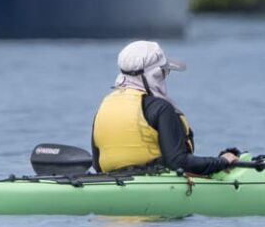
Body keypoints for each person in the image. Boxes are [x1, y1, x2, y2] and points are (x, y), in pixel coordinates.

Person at [90, 40, 240, 176]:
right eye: (164, 72)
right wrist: (222, 161)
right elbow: (178, 163)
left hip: (112, 180)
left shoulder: (103, 108)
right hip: (155, 182)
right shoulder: (161, 109)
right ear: (154, 75)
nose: (165, 77)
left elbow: (97, 165)